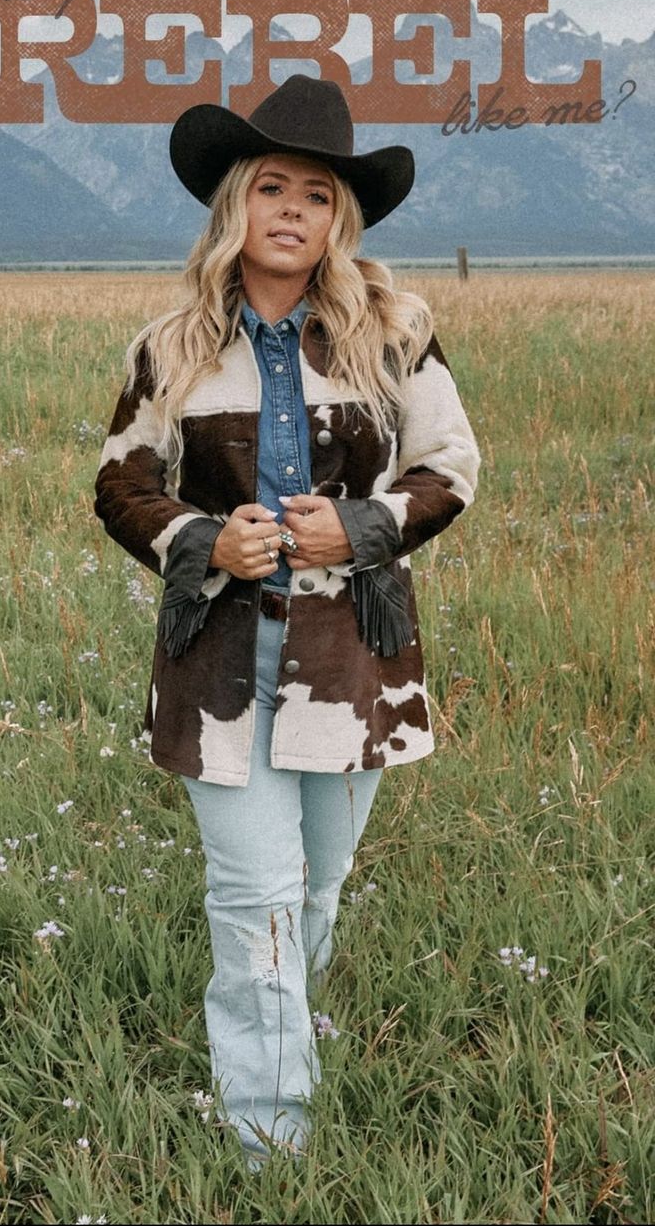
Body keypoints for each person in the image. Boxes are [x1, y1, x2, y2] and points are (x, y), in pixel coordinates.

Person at [93, 73, 481, 1171]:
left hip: (354, 656)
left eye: (317, 195)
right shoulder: (168, 346)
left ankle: (284, 1036)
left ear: (338, 218)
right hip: (216, 662)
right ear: (234, 206)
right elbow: (120, 484)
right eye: (271, 187)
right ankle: (269, 1139)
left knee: (315, 886)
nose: (293, 211)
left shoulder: (397, 330)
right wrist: (200, 540)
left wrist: (356, 529)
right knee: (252, 897)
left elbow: (449, 468)